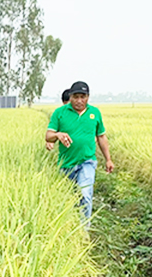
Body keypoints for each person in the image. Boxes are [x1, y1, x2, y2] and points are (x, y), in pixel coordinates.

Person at [45, 81, 114, 225]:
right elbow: (48, 135)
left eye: (83, 97)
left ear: (88, 97)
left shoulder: (95, 113)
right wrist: (57, 135)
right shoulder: (60, 113)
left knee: (85, 194)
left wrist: (108, 159)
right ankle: (69, 225)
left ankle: (84, 230)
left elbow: (101, 136)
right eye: (76, 97)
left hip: (87, 161)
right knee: (68, 198)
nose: (79, 101)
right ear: (70, 97)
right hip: (66, 163)